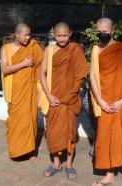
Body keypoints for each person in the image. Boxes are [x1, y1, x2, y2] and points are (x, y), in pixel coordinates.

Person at [89, 18, 122, 186]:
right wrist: (100, 101)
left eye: (105, 31)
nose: (102, 34)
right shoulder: (95, 50)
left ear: (112, 30)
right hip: (105, 101)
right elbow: (93, 77)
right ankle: (109, 176)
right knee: (106, 137)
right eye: (99, 31)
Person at [39, 22, 88, 179]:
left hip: (70, 99)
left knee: (69, 132)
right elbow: (42, 74)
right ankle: (56, 163)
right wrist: (48, 95)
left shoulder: (75, 50)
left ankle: (68, 164)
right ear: (53, 34)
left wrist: (71, 94)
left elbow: (80, 75)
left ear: (70, 33)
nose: (61, 39)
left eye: (64, 35)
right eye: (58, 35)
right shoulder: (49, 50)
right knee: (52, 131)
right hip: (53, 98)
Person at [0, 23, 43, 161]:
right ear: (17, 34)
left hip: (29, 90)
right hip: (15, 91)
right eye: (25, 35)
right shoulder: (6, 49)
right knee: (16, 121)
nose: (28, 37)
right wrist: (23, 64)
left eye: (29, 34)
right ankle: (16, 150)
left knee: (30, 119)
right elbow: (5, 69)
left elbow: (41, 65)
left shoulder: (33, 46)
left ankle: (31, 151)